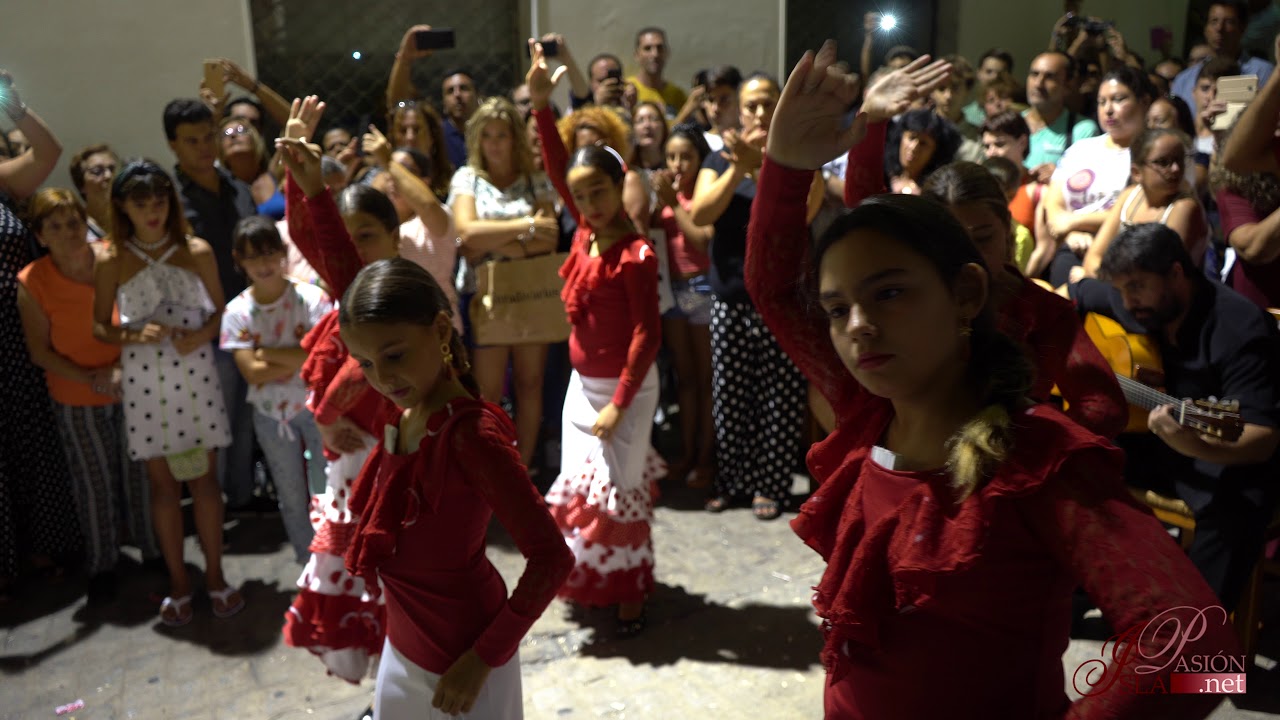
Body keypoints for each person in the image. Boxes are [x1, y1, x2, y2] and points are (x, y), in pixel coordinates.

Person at [751, 41, 1239, 718]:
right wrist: (784, 167)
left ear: (967, 293)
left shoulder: (1039, 462)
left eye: (890, 294)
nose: (857, 326)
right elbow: (773, 288)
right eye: (838, 309)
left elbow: (1208, 660)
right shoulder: (868, 418)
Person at [840, 59, 1126, 439]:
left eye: (982, 238)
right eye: (950, 237)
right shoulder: (906, 297)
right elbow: (863, 213)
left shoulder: (1042, 312)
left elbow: (1103, 406)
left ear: (1006, 232)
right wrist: (872, 119)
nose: (966, 254)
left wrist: (1018, 443)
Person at [339, 258, 572, 719]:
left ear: (441, 330)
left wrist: (481, 660)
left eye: (395, 355)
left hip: (463, 666)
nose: (382, 379)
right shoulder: (405, 414)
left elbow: (553, 559)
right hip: (402, 649)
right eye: (365, 363)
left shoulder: (472, 436)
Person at [1070, 223, 1280, 613]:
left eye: (1137, 286)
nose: (1128, 301)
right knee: (1075, 454)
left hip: (1226, 451)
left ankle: (1192, 650)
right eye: (1121, 289)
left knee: (1239, 508)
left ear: (1177, 273)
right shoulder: (1131, 303)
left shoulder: (1239, 329)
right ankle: (1088, 592)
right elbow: (1078, 292)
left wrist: (1193, 443)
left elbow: (1263, 437)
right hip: (1158, 439)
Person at [529, 43, 662, 633]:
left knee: (621, 490)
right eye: (581, 197)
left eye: (599, 193)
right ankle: (595, 577)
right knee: (587, 495)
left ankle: (629, 587)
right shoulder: (583, 233)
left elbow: (646, 333)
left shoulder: (635, 254)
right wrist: (540, 107)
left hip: (623, 393)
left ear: (620, 184)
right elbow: (561, 168)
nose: (588, 203)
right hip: (582, 389)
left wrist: (619, 404)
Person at [275, 96, 397, 685]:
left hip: (382, 450)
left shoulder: (388, 292)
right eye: (346, 239)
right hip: (350, 452)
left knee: (385, 578)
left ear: (395, 238)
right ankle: (385, 686)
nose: (353, 250)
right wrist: (300, 179)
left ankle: (398, 686)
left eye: (367, 236)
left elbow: (359, 371)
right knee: (361, 580)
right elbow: (310, 235)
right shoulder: (345, 289)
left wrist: (322, 414)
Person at [92, 160, 241, 626]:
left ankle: (215, 575)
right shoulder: (110, 256)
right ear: (122, 206)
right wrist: (133, 336)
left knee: (204, 480)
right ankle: (180, 582)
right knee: (162, 486)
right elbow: (100, 326)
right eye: (141, 204)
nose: (153, 212)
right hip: (144, 378)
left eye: (159, 202)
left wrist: (201, 336)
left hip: (194, 371)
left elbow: (224, 312)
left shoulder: (194, 249)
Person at [17, 188, 159, 604]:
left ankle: (153, 550)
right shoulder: (32, 281)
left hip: (133, 381)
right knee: (94, 484)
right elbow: (39, 351)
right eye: (55, 227)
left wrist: (122, 370)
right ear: (40, 235)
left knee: (142, 475)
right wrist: (91, 377)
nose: (68, 233)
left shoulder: (113, 258)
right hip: (76, 395)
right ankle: (103, 565)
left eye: (74, 223)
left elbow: (144, 315)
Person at [690, 70, 821, 520]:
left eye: (769, 103)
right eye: (752, 105)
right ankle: (733, 482)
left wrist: (764, 163)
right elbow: (702, 212)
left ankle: (771, 486)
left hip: (780, 299)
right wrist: (738, 167)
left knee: (780, 397)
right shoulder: (716, 159)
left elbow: (805, 211)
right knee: (730, 397)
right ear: (738, 111)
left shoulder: (799, 161)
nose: (761, 113)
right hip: (729, 296)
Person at [0, 72, 82, 602]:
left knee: (32, 440)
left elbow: (49, 150)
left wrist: (15, 107)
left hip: (16, 333)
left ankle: (41, 547)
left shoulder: (3, 180)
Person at [449, 97, 559, 470]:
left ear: (515, 138)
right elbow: (465, 233)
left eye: (502, 135)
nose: (495, 143)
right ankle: (493, 470)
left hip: (530, 293)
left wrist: (494, 241)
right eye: (488, 135)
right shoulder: (467, 178)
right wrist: (523, 230)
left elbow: (550, 237)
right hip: (485, 296)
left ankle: (523, 468)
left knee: (530, 383)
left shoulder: (535, 180)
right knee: (489, 391)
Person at [164, 98, 259, 510]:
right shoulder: (168, 200)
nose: (204, 147)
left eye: (208, 137)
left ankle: (242, 498)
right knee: (212, 424)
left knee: (246, 416)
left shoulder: (237, 188)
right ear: (173, 145)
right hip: (202, 327)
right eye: (192, 140)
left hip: (251, 318)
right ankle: (211, 506)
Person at [220, 216, 332, 563]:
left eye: (270, 253)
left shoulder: (311, 298)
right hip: (270, 415)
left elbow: (321, 355)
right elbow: (252, 374)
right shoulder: (236, 312)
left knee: (327, 488)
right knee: (290, 493)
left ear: (283, 253)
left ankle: (338, 562)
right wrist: (298, 355)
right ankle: (308, 563)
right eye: (253, 257)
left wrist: (265, 352)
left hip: (317, 409)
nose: (263, 264)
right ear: (239, 260)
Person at [1041, 66, 1155, 285]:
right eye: (1102, 102)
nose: (1108, 110)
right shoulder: (1081, 149)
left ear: (1144, 102)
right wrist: (1069, 235)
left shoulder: (1154, 152)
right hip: (1073, 246)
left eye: (1118, 99)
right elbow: (1054, 205)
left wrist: (1075, 222)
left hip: (1125, 252)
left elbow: (1139, 214)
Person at [650, 124, 715, 489]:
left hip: (701, 286)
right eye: (672, 156)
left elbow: (703, 241)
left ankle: (706, 458)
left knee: (706, 380)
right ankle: (687, 453)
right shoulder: (666, 195)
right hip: (671, 291)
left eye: (686, 156)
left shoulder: (703, 195)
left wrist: (674, 204)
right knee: (685, 379)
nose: (677, 164)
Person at [1081, 128, 1209, 277]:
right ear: (1137, 172)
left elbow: (1156, 278)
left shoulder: (1184, 207)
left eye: (1179, 160)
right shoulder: (1129, 197)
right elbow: (1093, 258)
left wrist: (1099, 278)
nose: (1175, 168)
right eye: (1163, 162)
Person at [385, 25, 478, 169]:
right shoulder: (436, 132)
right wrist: (405, 58)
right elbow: (399, 104)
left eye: (464, 88)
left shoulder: (489, 131)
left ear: (477, 95)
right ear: (444, 102)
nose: (457, 95)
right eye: (450, 91)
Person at [1171, 0, 1274, 111]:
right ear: (1205, 29)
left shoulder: (1264, 73)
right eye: (1214, 21)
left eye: (1229, 22)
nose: (1219, 28)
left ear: (1243, 28)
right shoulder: (1184, 80)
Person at [1023, 52, 1100, 181]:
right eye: (1034, 74)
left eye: (1050, 77)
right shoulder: (1010, 123)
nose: (1038, 84)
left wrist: (1062, 176)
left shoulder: (1082, 131)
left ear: (1068, 85)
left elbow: (1088, 184)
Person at [883, 108, 962, 194]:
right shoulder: (881, 174)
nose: (914, 148)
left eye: (923, 143)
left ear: (936, 152)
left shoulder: (934, 193)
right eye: (911, 138)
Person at [386, 101, 454, 200]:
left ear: (432, 137)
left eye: (417, 130)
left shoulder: (453, 181)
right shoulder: (382, 177)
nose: (410, 137)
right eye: (403, 130)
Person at [629, 27, 688, 120]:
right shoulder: (627, 90)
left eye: (659, 48)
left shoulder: (677, 95)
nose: (655, 54)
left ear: (667, 53)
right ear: (636, 55)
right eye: (647, 48)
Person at [218, 117, 278, 208]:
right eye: (226, 133)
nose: (233, 135)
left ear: (254, 139)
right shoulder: (219, 188)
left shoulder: (277, 172)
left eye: (240, 130)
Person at [68, 144, 120, 239]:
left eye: (112, 169)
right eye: (97, 171)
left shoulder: (133, 221)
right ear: (81, 185)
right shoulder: (74, 229)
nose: (108, 176)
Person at [963, 48, 1015, 126]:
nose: (994, 77)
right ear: (978, 74)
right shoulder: (965, 117)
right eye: (989, 72)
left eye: (1001, 73)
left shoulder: (1020, 116)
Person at [699, 65, 742, 153]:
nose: (715, 108)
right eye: (710, 100)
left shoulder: (755, 141)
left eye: (724, 100)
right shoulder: (698, 145)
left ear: (740, 100)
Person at [629, 101, 668, 172]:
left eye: (653, 119)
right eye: (640, 120)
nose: (647, 125)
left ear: (663, 127)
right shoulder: (625, 169)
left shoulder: (674, 166)